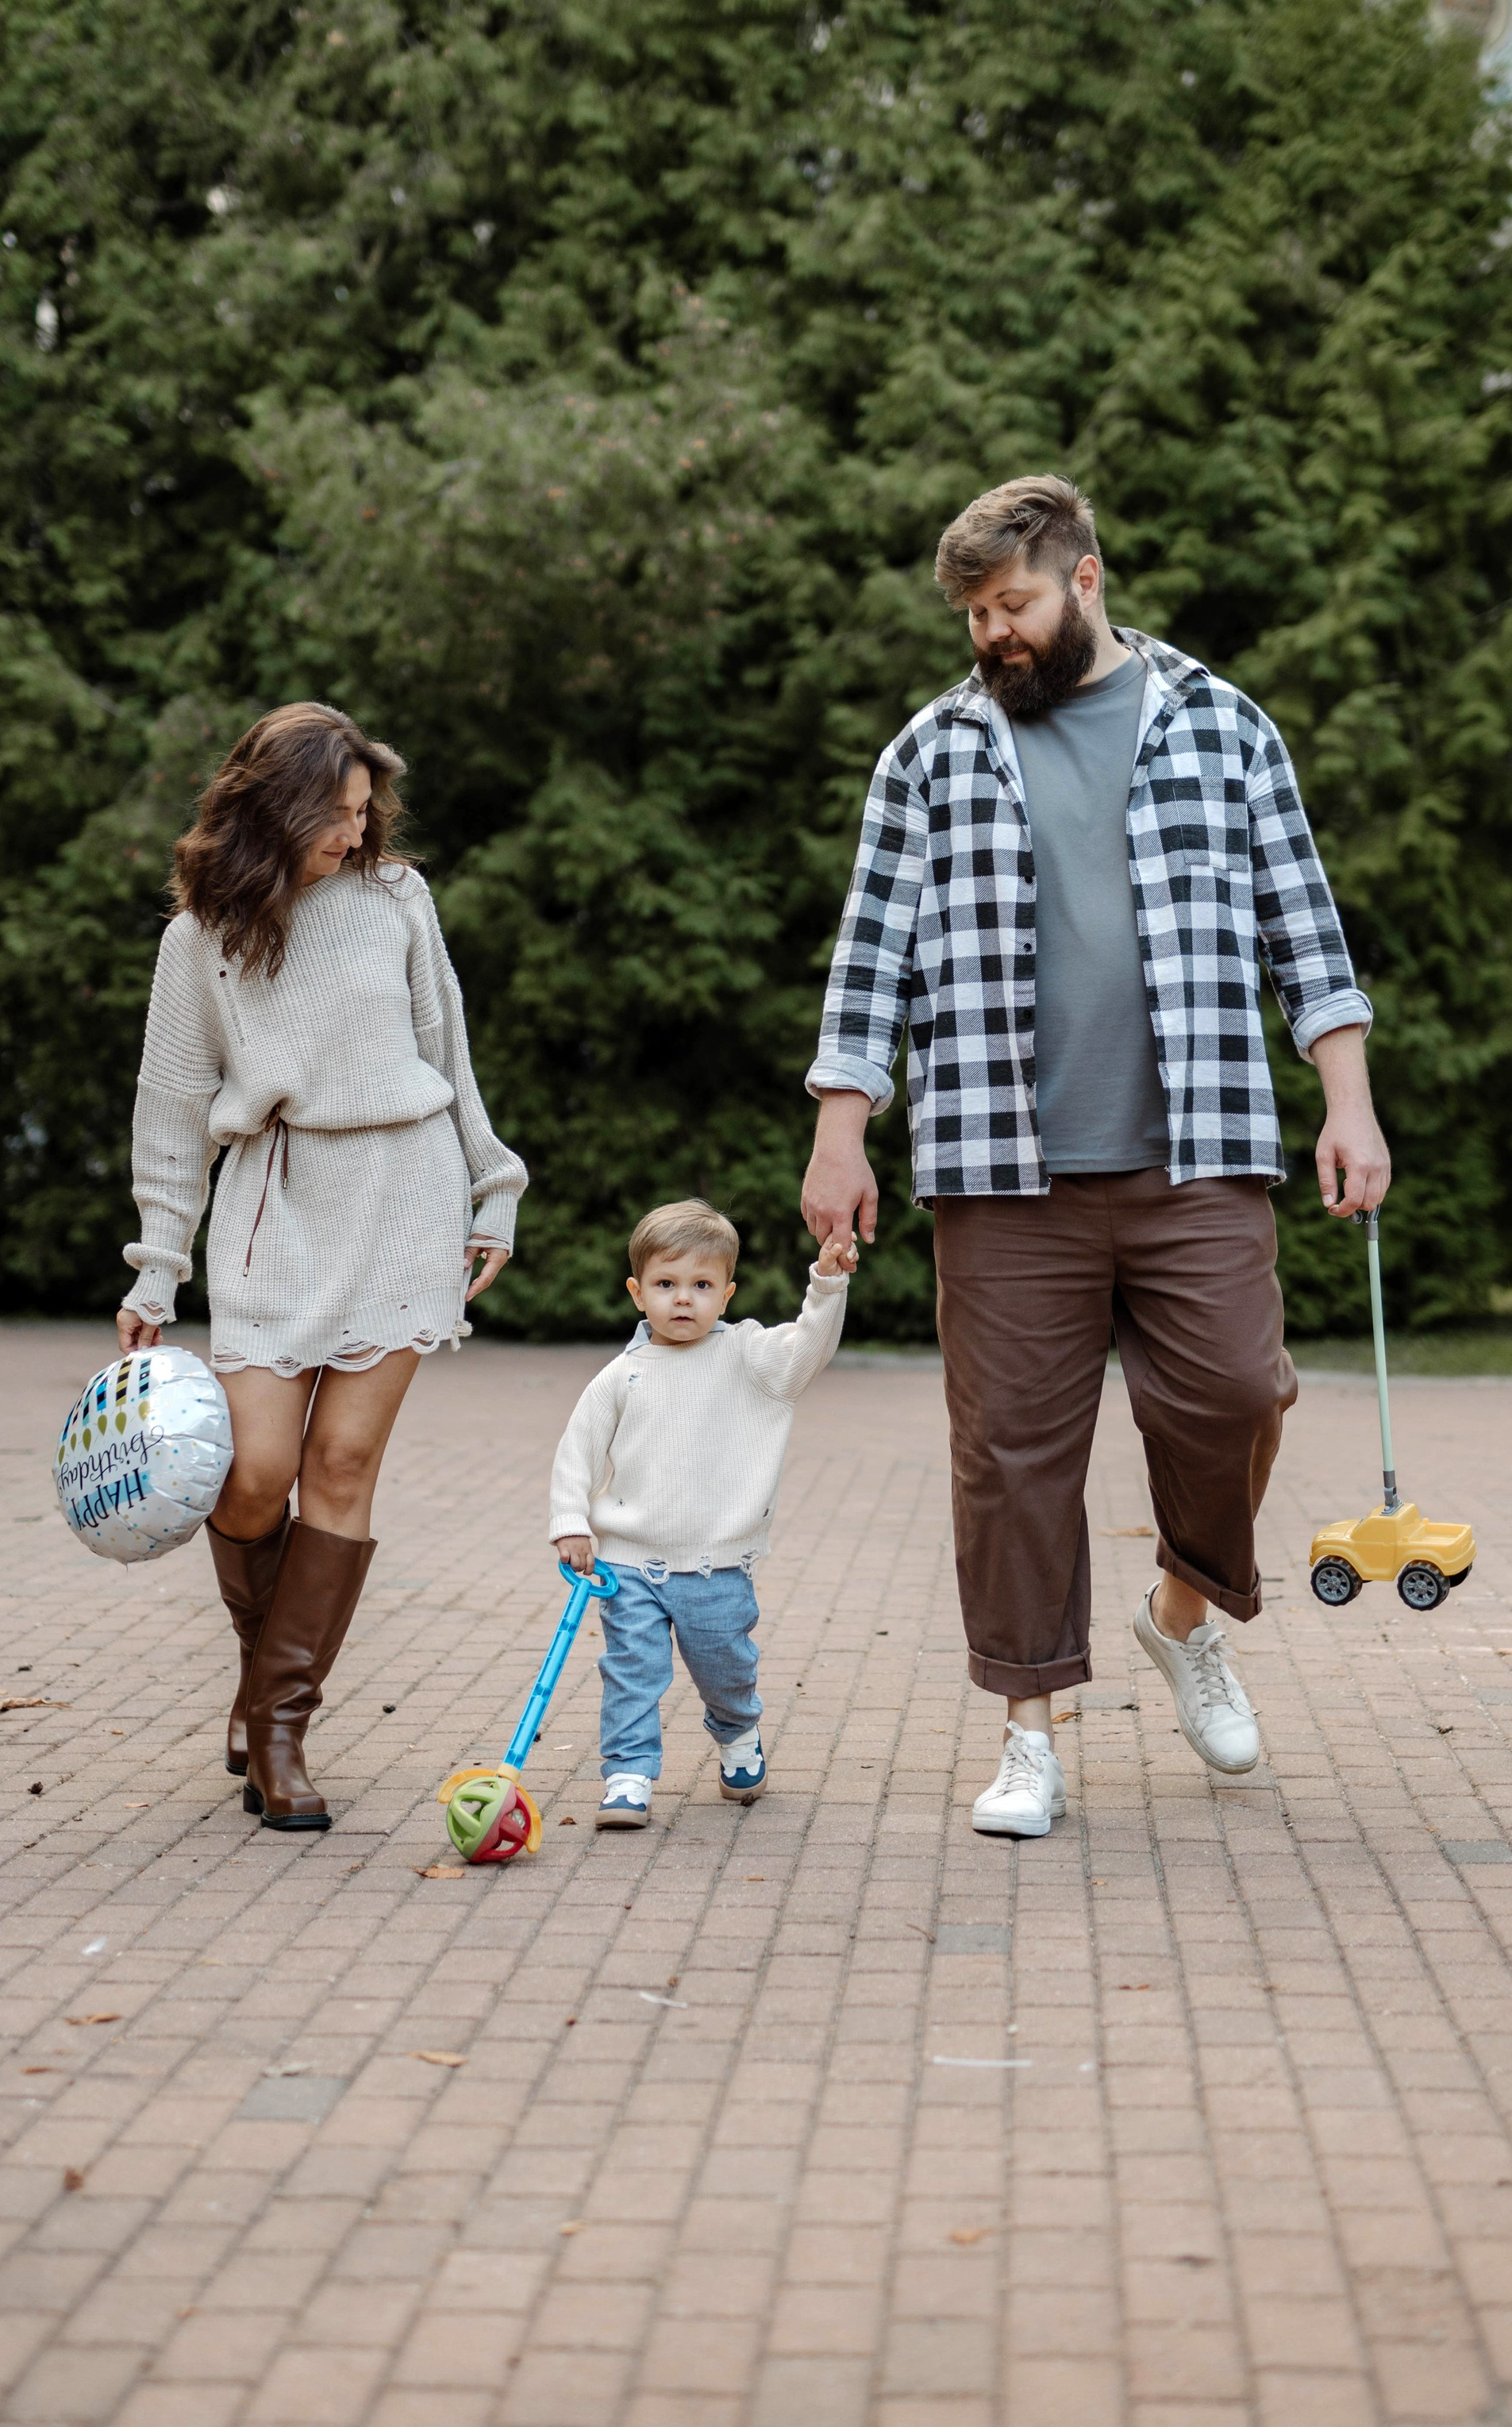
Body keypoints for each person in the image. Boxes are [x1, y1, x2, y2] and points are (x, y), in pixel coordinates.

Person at [800, 476, 1390, 1835]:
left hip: (1199, 1151)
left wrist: (1346, 1101)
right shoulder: (934, 752)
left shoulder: (1222, 724)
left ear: (1086, 579)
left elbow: (1305, 929)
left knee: (1243, 1394)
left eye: (1011, 606)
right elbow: (871, 952)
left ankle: (1181, 1619)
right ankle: (1028, 1735)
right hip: (1001, 1168)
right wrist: (845, 1131)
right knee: (1011, 1456)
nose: (991, 636)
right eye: (974, 616)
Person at [116, 702, 525, 1832]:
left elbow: (446, 1047)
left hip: (405, 1191)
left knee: (340, 1466)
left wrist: (492, 1188)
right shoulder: (200, 936)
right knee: (252, 1474)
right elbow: (173, 1109)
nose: (357, 834)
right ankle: (260, 1688)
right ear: (278, 807)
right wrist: (158, 1266)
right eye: (338, 815)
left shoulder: (396, 898)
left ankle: (281, 1729)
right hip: (275, 1206)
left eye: (363, 813)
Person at [548, 1200, 855, 1828]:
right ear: (637, 1293)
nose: (682, 1299)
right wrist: (572, 1523)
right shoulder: (621, 1376)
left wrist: (827, 1284)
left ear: (726, 1292)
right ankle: (628, 1774)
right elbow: (576, 1452)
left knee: (726, 1667)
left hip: (717, 1565)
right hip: (629, 1563)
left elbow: (810, 1347)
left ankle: (739, 1733)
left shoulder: (749, 1358)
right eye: (665, 1285)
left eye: (701, 1285)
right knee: (632, 1672)